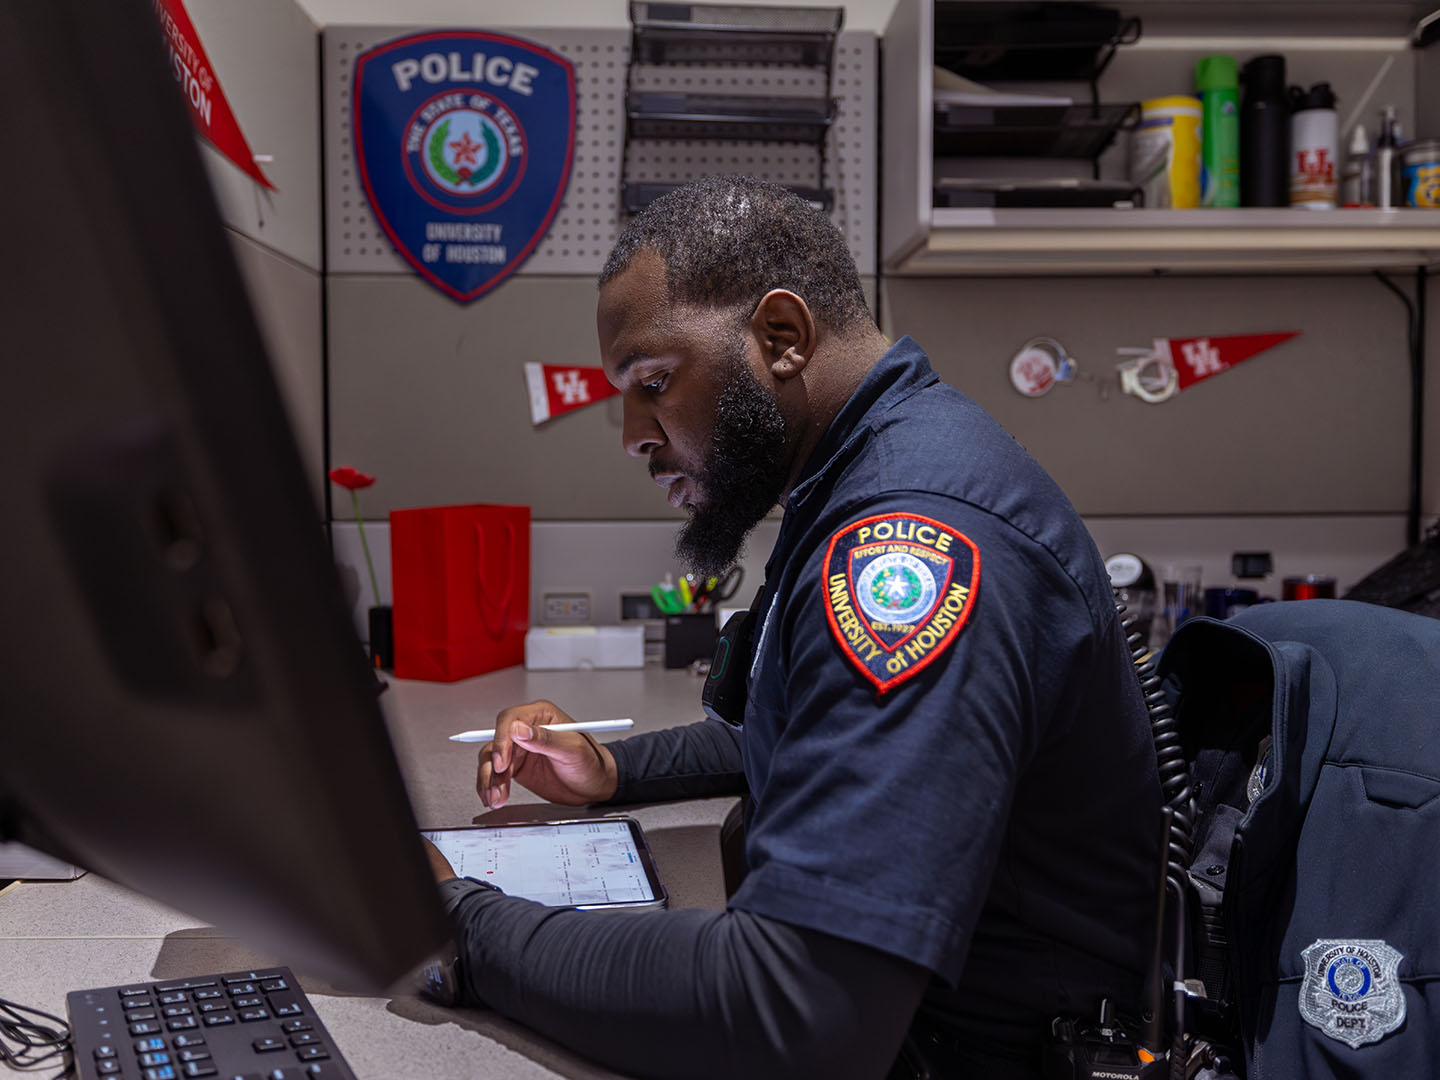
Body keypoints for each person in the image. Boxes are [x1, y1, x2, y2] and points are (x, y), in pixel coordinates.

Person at [423, 175, 1162, 1079]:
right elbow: (813, 731)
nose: (630, 433)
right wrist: (612, 772)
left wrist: (464, 921)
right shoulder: (861, 471)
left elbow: (797, 1011)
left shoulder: (912, 546)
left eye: (652, 381)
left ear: (781, 337)